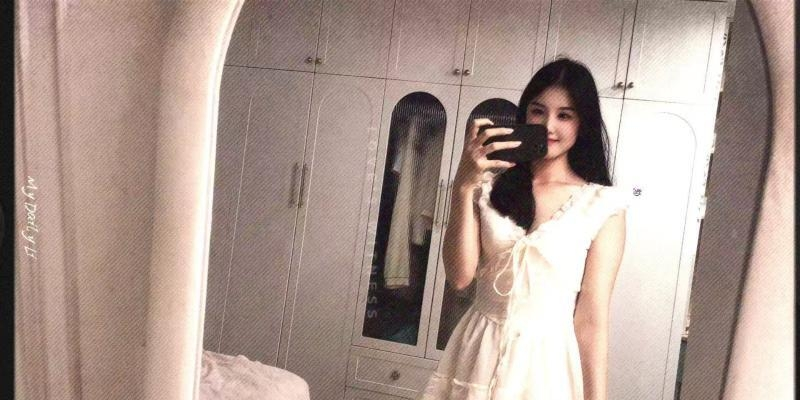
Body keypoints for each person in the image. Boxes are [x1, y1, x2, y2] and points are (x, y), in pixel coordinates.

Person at [417, 58, 633, 400]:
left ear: (583, 123)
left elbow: (591, 319)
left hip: (545, 366)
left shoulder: (602, 205)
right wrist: (463, 184)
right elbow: (459, 277)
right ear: (524, 114)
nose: (548, 125)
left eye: (565, 115)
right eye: (538, 111)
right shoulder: (489, 188)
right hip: (479, 351)